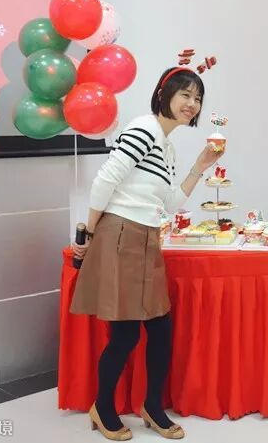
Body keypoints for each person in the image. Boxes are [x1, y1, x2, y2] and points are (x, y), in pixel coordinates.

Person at [70, 61, 224, 441]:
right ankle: (102, 406)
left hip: (146, 237)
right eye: (185, 95)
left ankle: (152, 406)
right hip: (121, 234)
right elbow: (105, 179)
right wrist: (89, 232)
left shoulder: (166, 146)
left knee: (160, 329)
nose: (192, 104)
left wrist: (200, 166)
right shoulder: (144, 128)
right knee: (125, 335)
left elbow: (169, 203)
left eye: (197, 99)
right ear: (163, 94)